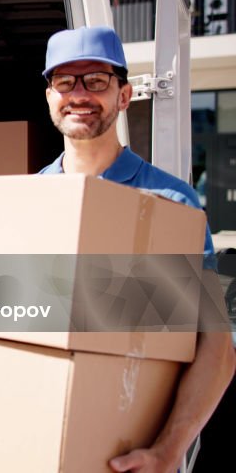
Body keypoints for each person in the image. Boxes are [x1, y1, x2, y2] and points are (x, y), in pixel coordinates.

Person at [37, 26, 235, 473]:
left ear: (124, 96)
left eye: (96, 81)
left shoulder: (171, 202)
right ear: (50, 97)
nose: (80, 94)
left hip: (130, 458)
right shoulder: (31, 201)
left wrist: (168, 452)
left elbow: (216, 347)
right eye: (65, 82)